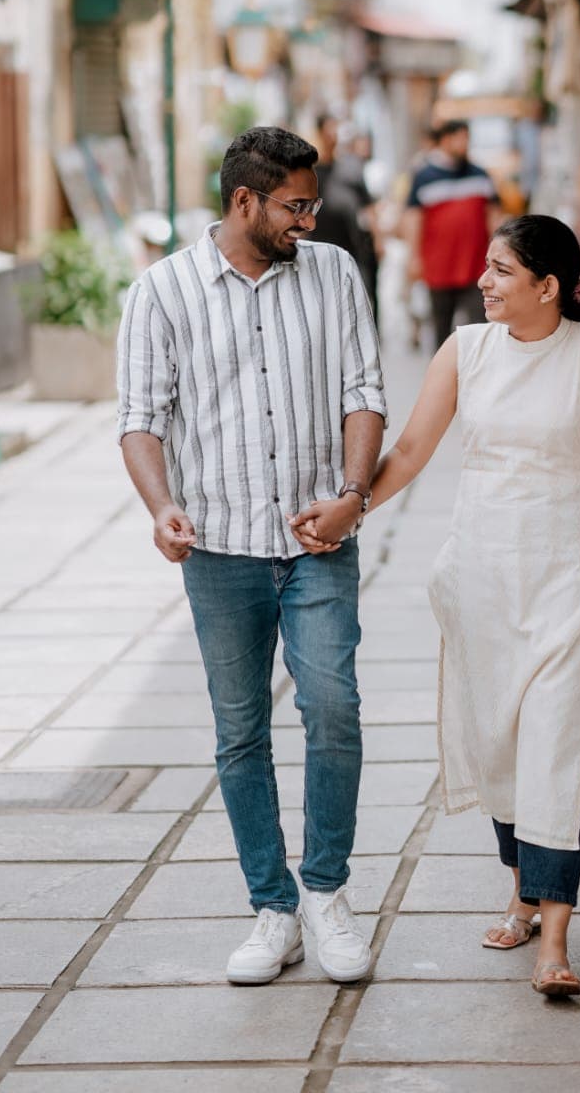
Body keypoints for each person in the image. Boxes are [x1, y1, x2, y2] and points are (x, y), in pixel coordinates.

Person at [296, 216, 580, 996]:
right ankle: (522, 890)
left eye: (501, 271)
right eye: (488, 269)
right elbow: (414, 451)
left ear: (548, 287)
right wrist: (349, 507)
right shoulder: (466, 350)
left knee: (557, 746)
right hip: (482, 580)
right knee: (500, 743)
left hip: (572, 579)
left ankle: (555, 937)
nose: (484, 282)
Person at [116, 126, 387, 985]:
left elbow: (364, 391)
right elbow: (140, 419)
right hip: (221, 549)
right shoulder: (161, 292)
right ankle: (272, 910)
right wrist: (163, 510)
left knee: (334, 708)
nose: (310, 219)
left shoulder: (336, 273)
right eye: (296, 205)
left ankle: (327, 893)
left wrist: (352, 495)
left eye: (312, 204)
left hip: (318, 539)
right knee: (240, 734)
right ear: (245, 202)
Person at [404, 118, 501, 350]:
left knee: (479, 327)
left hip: (476, 266)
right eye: (461, 138)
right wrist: (414, 257)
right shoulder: (424, 176)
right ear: (445, 140)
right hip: (439, 267)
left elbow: (495, 215)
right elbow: (412, 218)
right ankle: (444, 378)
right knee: (441, 329)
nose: (465, 144)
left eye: (467, 138)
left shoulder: (480, 174)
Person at [313, 113, 380, 317]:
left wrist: (378, 239)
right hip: (319, 244)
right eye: (330, 128)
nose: (334, 134)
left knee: (361, 300)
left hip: (352, 245)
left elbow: (367, 205)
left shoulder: (350, 168)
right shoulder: (309, 171)